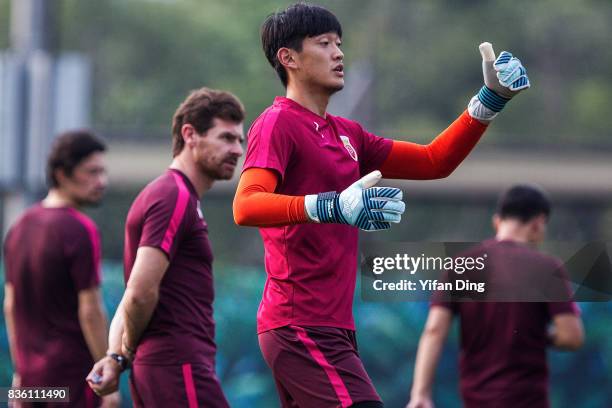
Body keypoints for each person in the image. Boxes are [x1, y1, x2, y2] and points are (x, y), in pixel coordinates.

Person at [232, 3, 530, 407]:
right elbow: (246, 206)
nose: (339, 53)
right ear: (288, 58)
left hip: (331, 325)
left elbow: (433, 161)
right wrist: (331, 206)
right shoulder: (277, 122)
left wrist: (490, 99)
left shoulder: (347, 133)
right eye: (324, 44)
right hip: (299, 322)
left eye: (339, 43)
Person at [87, 87, 245, 408]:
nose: (238, 150)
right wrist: (125, 353)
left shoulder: (173, 195)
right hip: (178, 366)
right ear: (190, 134)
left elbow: (134, 291)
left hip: (171, 368)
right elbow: (140, 292)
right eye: (227, 138)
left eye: (240, 140)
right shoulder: (174, 196)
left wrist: (115, 357)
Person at [407, 185, 584, 408]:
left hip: (476, 399)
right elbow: (571, 336)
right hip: (528, 400)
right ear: (539, 222)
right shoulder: (547, 268)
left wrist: (420, 394)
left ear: (497, 221)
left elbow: (434, 331)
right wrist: (537, 333)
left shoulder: (462, 266)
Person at [3, 130, 119, 407]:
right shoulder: (80, 229)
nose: (101, 181)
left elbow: (10, 305)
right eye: (91, 172)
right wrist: (107, 378)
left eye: (103, 172)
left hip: (31, 382)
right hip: (74, 379)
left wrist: (21, 374)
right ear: (62, 174)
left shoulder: (19, 227)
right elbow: (90, 309)